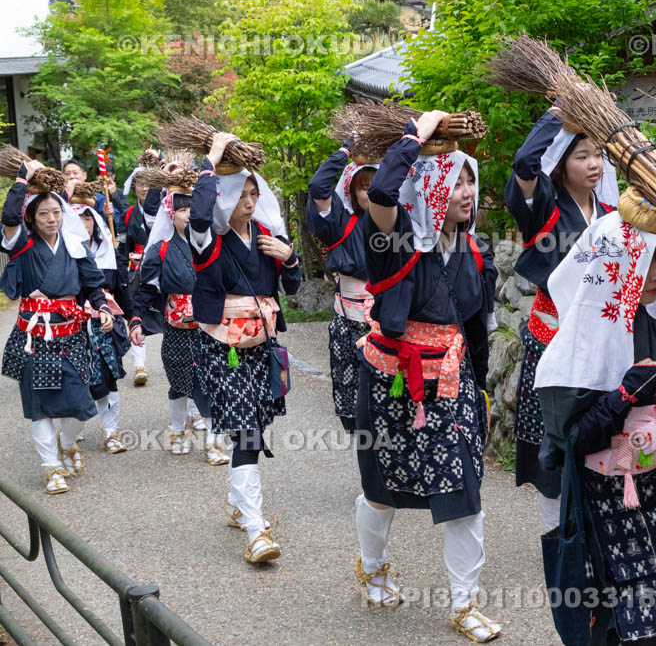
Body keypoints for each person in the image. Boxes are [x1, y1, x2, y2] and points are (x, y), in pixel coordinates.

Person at [534, 208, 656, 645]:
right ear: (618, 266)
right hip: (608, 496)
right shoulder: (583, 337)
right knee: (628, 608)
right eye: (645, 262)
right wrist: (622, 397)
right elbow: (572, 441)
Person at [353, 111, 500, 642]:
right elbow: (384, 194)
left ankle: (465, 603)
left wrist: (481, 392)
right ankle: (372, 567)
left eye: (470, 180)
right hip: (394, 385)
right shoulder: (394, 249)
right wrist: (417, 135)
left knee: (464, 491)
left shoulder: (474, 254)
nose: (466, 189)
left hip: (453, 387)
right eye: (455, 179)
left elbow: (476, 331)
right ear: (432, 187)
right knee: (381, 490)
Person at [504, 105, 619, 533]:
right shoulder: (545, 211)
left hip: (598, 344)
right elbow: (524, 163)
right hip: (551, 341)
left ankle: (592, 533)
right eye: (580, 155)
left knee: (596, 441)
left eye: (597, 155)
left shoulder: (612, 213)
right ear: (561, 162)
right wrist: (555, 118)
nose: (593, 164)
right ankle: (556, 537)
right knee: (551, 448)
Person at [189, 132, 301, 563]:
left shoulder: (267, 238)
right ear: (225, 196)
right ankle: (256, 530)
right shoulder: (210, 242)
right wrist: (211, 159)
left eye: (255, 192)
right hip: (225, 349)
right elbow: (198, 217)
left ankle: (239, 505)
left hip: (262, 347)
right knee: (246, 432)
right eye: (242, 194)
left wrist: (287, 255)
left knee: (251, 427)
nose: (251, 201)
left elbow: (291, 284)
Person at [1, 160, 114, 493]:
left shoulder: (74, 246)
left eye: (56, 213)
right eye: (43, 214)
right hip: (35, 335)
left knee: (78, 401)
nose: (52, 219)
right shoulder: (21, 244)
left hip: (70, 332)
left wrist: (104, 307)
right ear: (32, 219)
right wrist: (23, 177)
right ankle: (51, 468)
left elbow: (93, 285)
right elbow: (8, 218)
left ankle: (69, 443)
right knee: (41, 406)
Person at [130, 185, 230, 466]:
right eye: (183, 210)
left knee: (211, 382)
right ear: (171, 214)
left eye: (192, 209)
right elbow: (146, 290)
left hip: (210, 326)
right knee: (179, 384)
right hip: (177, 328)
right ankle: (177, 433)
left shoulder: (214, 244)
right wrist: (136, 318)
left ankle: (214, 442)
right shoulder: (161, 250)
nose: (188, 215)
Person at [305, 138, 377, 430]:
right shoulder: (340, 223)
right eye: (364, 186)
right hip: (348, 319)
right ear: (351, 189)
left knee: (382, 396)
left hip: (384, 321)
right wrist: (344, 152)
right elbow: (318, 187)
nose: (371, 192)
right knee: (351, 400)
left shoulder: (398, 224)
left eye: (378, 183)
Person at [68, 183, 130, 454]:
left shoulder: (108, 251)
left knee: (109, 377)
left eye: (88, 216)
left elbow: (121, 287)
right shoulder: (64, 254)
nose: (84, 222)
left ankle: (111, 432)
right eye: (77, 216)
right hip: (72, 324)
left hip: (104, 323)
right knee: (76, 378)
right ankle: (73, 432)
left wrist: (134, 319)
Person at [121, 163, 163, 387]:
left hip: (165, 269)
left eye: (150, 183)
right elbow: (122, 247)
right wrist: (128, 262)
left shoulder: (169, 209)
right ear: (134, 186)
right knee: (136, 315)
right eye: (141, 183)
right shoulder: (128, 215)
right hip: (137, 270)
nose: (145, 188)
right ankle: (139, 365)